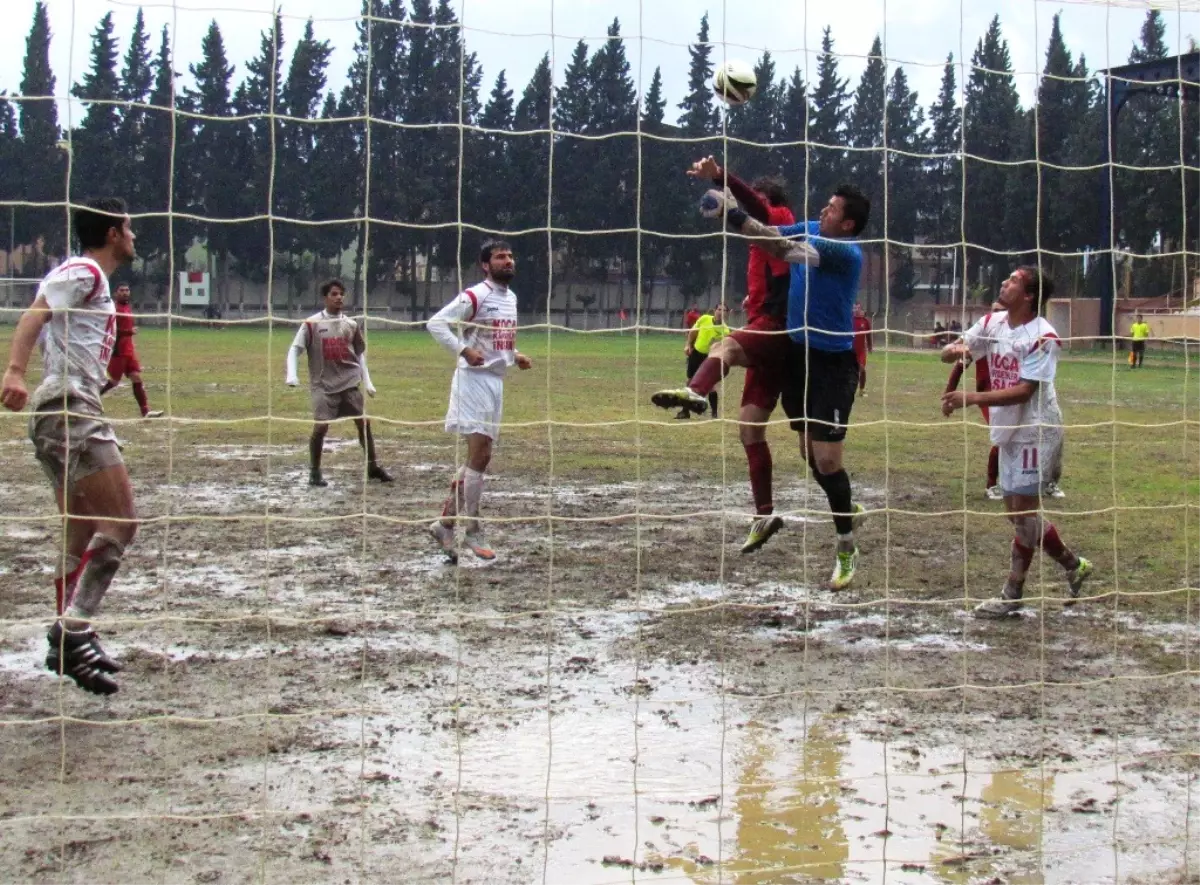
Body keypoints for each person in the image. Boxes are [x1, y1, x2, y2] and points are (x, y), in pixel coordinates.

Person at [693, 183, 871, 590]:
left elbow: (783, 251)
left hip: (832, 366)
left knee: (826, 461)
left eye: (831, 209)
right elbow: (769, 232)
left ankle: (846, 547)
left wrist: (731, 213)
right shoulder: (811, 227)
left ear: (846, 224)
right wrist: (737, 213)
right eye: (824, 204)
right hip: (797, 357)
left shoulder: (845, 253)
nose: (822, 211)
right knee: (811, 456)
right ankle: (846, 505)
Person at [0, 198, 141, 695]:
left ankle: (74, 636)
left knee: (79, 533)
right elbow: (35, 313)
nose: (134, 236)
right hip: (67, 409)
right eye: (128, 228)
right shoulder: (84, 270)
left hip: (65, 409)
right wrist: (14, 372)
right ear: (110, 233)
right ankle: (72, 629)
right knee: (121, 523)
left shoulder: (94, 283)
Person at [651, 156, 796, 553]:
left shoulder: (779, 216)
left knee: (725, 346)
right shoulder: (755, 245)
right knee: (750, 430)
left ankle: (696, 390)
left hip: (778, 325)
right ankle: (764, 514)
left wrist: (722, 177)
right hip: (767, 328)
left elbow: (759, 208)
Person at [941, 266, 1092, 618]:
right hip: (1009, 427)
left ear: (1028, 295)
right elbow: (964, 346)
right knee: (1016, 512)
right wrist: (952, 350)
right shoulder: (993, 322)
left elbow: (1024, 391)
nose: (1004, 284)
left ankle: (1012, 594)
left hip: (1036, 429)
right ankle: (1074, 565)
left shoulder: (1044, 338)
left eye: (1013, 281)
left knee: (1022, 512)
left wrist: (971, 398)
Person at [427, 241, 533, 562]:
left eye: (511, 256)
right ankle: (472, 528)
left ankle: (445, 524)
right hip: (472, 382)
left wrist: (515, 355)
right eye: (501, 257)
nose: (508, 261)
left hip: (495, 383)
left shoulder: (510, 298)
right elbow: (435, 323)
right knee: (480, 456)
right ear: (486, 265)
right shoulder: (475, 295)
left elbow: (496, 339)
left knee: (478, 459)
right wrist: (463, 350)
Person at [285, 279, 393, 487]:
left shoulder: (351, 325)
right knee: (321, 428)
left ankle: (372, 467)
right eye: (334, 294)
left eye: (341, 294)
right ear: (325, 298)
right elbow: (294, 349)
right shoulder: (312, 324)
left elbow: (360, 354)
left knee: (364, 423)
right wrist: (292, 375)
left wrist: (368, 381)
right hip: (323, 386)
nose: (339, 297)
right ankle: (315, 472)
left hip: (349, 383)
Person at [100, 283, 163, 418]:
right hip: (119, 351)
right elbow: (111, 330)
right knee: (114, 381)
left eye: (127, 290)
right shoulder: (114, 309)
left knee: (136, 377)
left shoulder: (127, 307)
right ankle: (88, 400)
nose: (125, 293)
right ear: (116, 293)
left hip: (129, 350)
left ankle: (145, 412)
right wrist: (129, 331)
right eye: (122, 290)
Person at [680, 303, 729, 418]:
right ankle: (685, 411)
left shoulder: (725, 331)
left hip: (710, 358)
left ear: (727, 313)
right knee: (690, 382)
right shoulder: (704, 319)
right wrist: (688, 345)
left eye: (724, 310)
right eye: (719, 309)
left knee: (710, 385)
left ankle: (714, 413)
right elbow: (693, 332)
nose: (721, 312)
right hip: (696, 354)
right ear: (714, 310)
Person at [852, 303, 873, 396]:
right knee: (850, 370)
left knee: (862, 368)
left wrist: (870, 346)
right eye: (854, 308)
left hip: (861, 350)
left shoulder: (865, 321)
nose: (856, 309)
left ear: (861, 309)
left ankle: (861, 389)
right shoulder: (849, 320)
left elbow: (868, 335)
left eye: (857, 308)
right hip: (850, 349)